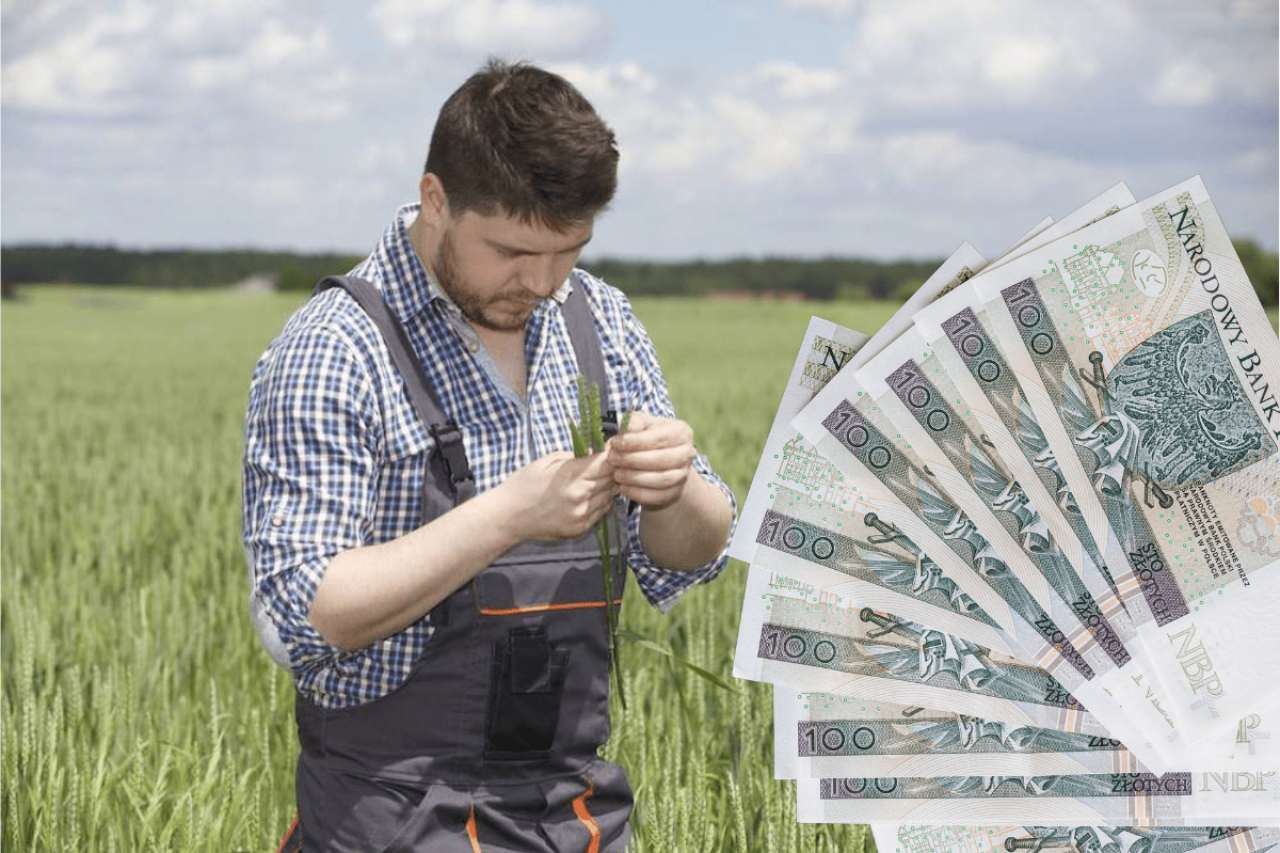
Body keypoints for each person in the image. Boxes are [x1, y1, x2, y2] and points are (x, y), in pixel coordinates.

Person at [242, 59, 737, 852]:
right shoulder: (335, 349)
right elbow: (307, 611)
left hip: (576, 814)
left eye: (568, 249)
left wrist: (674, 487)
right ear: (436, 200)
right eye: (511, 250)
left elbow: (691, 553)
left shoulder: (598, 318)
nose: (542, 282)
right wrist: (508, 516)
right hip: (392, 815)